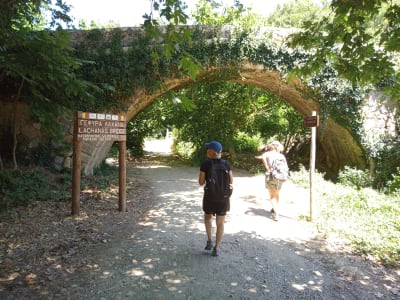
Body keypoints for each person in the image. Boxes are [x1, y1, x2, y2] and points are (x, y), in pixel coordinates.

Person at [198, 141, 233, 257]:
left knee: (208, 218)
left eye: (207, 149)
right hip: (223, 198)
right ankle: (216, 248)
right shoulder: (226, 164)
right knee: (220, 223)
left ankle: (209, 240)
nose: (206, 150)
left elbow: (201, 182)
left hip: (210, 197)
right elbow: (231, 181)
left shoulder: (205, 164)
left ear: (211, 152)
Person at [260, 141, 287, 221]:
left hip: (271, 177)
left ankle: (276, 213)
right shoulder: (282, 156)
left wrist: (269, 169)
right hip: (281, 177)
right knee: (277, 193)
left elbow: (267, 167)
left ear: (271, 146)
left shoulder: (265, 155)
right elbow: (286, 167)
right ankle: (274, 208)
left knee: (272, 195)